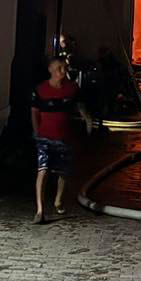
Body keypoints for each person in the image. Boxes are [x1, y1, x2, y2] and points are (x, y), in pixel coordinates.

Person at [30, 56, 91, 224]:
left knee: (63, 171)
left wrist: (88, 120)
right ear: (50, 69)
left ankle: (58, 200)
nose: (62, 72)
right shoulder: (40, 90)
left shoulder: (72, 89)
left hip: (65, 137)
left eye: (64, 68)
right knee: (43, 170)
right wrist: (37, 133)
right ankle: (40, 210)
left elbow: (80, 107)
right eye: (59, 68)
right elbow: (34, 112)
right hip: (45, 137)